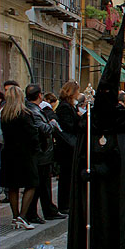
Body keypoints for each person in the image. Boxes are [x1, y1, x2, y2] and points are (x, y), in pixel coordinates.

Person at [65, 7, 125, 249]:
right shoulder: (88, 121)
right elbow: (79, 151)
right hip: (93, 191)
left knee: (116, 222)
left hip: (117, 191)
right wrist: (84, 170)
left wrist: (104, 168)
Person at [24, 83, 65, 224]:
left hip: (43, 153)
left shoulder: (34, 109)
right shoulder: (33, 111)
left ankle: (48, 210)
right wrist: (52, 124)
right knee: (39, 185)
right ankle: (34, 213)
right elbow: (42, 129)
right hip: (41, 153)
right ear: (39, 95)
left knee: (44, 184)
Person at [0, 85, 40, 230]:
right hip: (25, 154)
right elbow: (32, 135)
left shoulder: (4, 114)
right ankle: (22, 216)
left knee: (12, 186)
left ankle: (15, 216)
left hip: (9, 153)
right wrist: (36, 149)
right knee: (32, 183)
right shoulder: (24, 114)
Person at [54, 80, 80, 214]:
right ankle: (64, 205)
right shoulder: (64, 107)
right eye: (77, 91)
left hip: (69, 147)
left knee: (69, 176)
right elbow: (68, 126)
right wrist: (80, 119)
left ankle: (68, 203)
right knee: (65, 177)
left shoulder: (70, 106)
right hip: (66, 147)